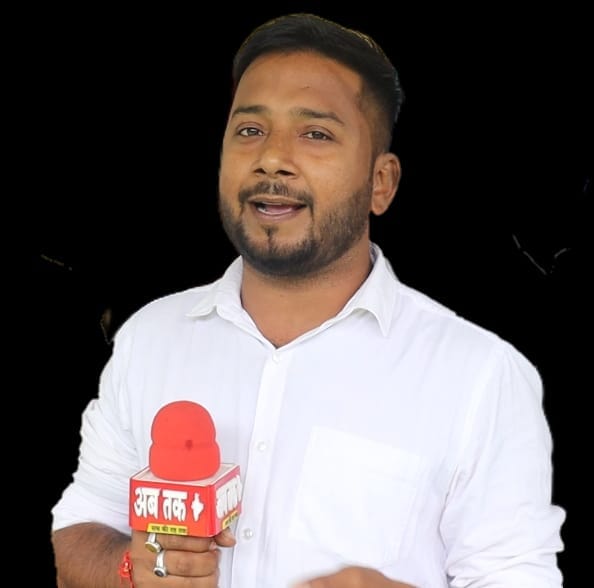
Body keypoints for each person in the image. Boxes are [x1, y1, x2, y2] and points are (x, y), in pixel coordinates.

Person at [51, 12, 566, 587]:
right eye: (250, 130)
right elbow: (78, 531)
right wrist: (128, 569)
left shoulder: (481, 377)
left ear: (381, 183)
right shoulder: (151, 338)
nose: (271, 158)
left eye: (315, 133)